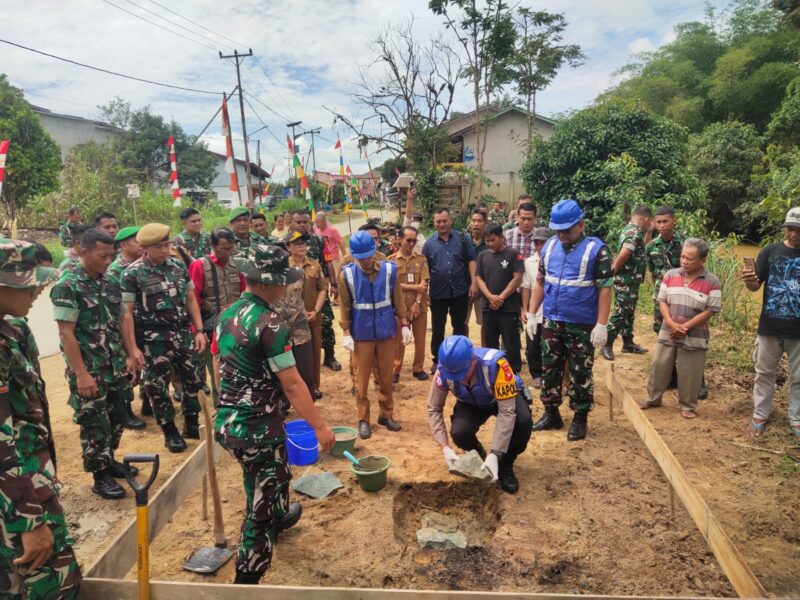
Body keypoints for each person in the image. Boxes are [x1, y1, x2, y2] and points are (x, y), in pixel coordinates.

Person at [213, 242, 335, 586]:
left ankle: (280, 516)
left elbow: (218, 365)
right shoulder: (271, 324)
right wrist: (320, 427)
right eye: (282, 280)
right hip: (257, 427)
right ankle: (246, 578)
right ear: (268, 283)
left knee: (267, 474)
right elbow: (293, 384)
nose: (286, 286)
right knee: (260, 506)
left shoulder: (227, 314)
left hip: (231, 421)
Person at [0, 239, 83, 599]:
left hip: (27, 483)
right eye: (27, 283)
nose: (37, 290)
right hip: (16, 500)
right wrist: (30, 521)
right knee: (53, 584)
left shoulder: (12, 329)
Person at [51, 229, 144, 500]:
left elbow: (122, 317)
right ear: (83, 251)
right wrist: (81, 374)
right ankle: (99, 476)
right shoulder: (68, 285)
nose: (108, 261)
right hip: (90, 368)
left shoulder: (110, 280)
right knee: (94, 421)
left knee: (117, 415)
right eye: (102, 256)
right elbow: (66, 333)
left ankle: (109, 459)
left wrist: (131, 352)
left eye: (110, 255)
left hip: (115, 363)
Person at [529, 199, 613, 440]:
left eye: (566, 230)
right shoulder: (549, 247)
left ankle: (580, 417)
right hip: (552, 320)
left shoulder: (597, 250)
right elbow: (541, 282)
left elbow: (605, 288)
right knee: (550, 368)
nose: (561, 235)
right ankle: (551, 412)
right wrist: (533, 313)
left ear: (581, 225)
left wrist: (601, 324)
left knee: (580, 371)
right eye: (558, 230)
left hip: (581, 323)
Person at [122, 223, 206, 453]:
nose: (164, 250)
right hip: (153, 339)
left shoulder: (178, 266)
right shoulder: (132, 273)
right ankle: (170, 431)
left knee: (193, 379)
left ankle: (191, 422)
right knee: (157, 386)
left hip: (182, 333)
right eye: (158, 246)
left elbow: (190, 299)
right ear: (144, 248)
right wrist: (132, 348)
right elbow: (126, 312)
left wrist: (199, 330)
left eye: (166, 245)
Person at [428, 335, 532, 494]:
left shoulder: (496, 366)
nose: (459, 379)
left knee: (523, 421)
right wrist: (445, 447)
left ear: (473, 361)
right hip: (470, 402)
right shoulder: (444, 369)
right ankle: (477, 453)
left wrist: (496, 453)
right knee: (460, 432)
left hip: (501, 399)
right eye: (454, 376)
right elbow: (434, 408)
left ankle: (505, 464)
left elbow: (506, 412)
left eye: (462, 373)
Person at [339, 231, 410, 439]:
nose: (366, 261)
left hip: (385, 332)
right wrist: (346, 332)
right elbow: (344, 306)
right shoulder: (347, 275)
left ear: (375, 250)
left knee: (386, 377)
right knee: (361, 380)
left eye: (368, 256)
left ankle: (386, 415)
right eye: (361, 258)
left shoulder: (390, 271)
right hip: (361, 335)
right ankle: (363, 419)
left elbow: (398, 299)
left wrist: (404, 324)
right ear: (354, 256)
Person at [639, 239, 721, 419]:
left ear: (702, 260)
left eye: (689, 258)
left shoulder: (712, 281)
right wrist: (670, 322)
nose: (684, 261)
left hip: (695, 333)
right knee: (659, 365)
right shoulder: (670, 275)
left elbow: (711, 310)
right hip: (668, 330)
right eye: (683, 257)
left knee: (690, 370)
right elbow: (662, 301)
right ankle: (653, 398)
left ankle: (688, 405)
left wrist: (685, 327)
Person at [742, 207, 800, 439]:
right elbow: (755, 286)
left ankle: (797, 418)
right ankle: (760, 414)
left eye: (799, 230)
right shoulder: (770, 251)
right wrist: (749, 280)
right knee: (764, 374)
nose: (794, 234)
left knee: (799, 378)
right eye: (790, 229)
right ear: (785, 228)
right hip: (770, 327)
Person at [188, 228, 245, 402]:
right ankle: (220, 405)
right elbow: (193, 300)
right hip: (212, 324)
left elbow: (244, 292)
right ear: (213, 246)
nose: (227, 252)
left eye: (230, 248)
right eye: (223, 248)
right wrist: (197, 330)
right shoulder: (200, 266)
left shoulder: (238, 264)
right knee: (217, 370)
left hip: (237, 323)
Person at [423, 207, 477, 373]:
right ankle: (437, 360)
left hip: (459, 290)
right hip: (438, 293)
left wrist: (474, 283)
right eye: (438, 221)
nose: (442, 224)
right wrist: (425, 292)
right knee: (438, 328)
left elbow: (471, 260)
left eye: (444, 221)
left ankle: (461, 358)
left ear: (450, 221)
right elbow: (425, 270)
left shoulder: (463, 239)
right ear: (434, 223)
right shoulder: (429, 244)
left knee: (459, 326)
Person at [105, 226, 147, 428]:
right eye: (136, 241)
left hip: (142, 324)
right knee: (127, 366)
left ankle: (148, 401)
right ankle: (126, 410)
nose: (141, 245)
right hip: (123, 326)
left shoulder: (144, 264)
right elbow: (120, 310)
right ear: (123, 245)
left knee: (145, 364)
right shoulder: (115, 270)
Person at [290, 210, 341, 372]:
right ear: (291, 223)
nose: (302, 225)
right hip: (293, 293)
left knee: (325, 322)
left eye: (305, 222)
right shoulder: (284, 242)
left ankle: (329, 356)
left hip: (318, 288)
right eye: (298, 222)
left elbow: (328, 262)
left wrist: (333, 284)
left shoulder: (318, 240)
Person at [270, 232, 317, 402]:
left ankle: (308, 400)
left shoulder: (297, 273)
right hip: (279, 329)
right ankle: (283, 402)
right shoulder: (269, 279)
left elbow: (301, 297)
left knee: (306, 367)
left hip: (300, 327)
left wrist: (305, 312)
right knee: (281, 368)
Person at [602, 205, 653, 361]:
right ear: (646, 219)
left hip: (632, 281)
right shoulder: (633, 233)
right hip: (626, 281)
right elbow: (624, 254)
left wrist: (649, 232)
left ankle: (628, 342)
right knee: (621, 312)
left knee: (629, 312)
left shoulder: (633, 231)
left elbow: (642, 249)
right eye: (649, 221)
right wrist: (612, 272)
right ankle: (606, 343)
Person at [476, 223, 525, 369]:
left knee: (511, 342)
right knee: (490, 342)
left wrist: (501, 298)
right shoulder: (482, 256)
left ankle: (514, 372)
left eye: (493, 240)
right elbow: (479, 278)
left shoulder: (514, 254)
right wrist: (490, 297)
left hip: (509, 308)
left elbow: (517, 278)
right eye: (487, 241)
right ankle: (493, 370)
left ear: (501, 237)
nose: (490, 243)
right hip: (488, 307)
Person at [287, 232, 328, 399]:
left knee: (315, 353)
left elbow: (323, 289)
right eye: (297, 244)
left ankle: (314, 386)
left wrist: (316, 311)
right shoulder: (285, 268)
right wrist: (300, 311)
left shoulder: (314, 265)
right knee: (295, 355)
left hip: (313, 317)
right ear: (288, 247)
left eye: (303, 243)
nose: (301, 246)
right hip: (293, 321)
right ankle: (297, 388)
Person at [389, 226, 430, 383]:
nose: (412, 243)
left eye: (414, 240)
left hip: (419, 306)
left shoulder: (421, 259)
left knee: (420, 340)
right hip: (399, 308)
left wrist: (418, 302)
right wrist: (415, 287)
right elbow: (392, 284)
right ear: (399, 240)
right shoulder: (391, 261)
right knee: (398, 341)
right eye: (409, 240)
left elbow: (424, 283)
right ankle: (395, 369)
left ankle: (418, 368)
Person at [521, 227, 552, 389]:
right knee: (532, 345)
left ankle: (550, 374)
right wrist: (525, 309)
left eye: (543, 243)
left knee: (550, 345)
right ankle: (536, 374)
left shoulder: (556, 260)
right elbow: (526, 287)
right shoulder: (529, 262)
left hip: (552, 312)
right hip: (535, 311)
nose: (539, 246)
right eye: (537, 243)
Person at [466, 208, 488, 335]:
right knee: (462, 322)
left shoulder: (490, 242)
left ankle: (485, 347)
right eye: (473, 220)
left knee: (486, 324)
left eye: (479, 221)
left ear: (485, 222)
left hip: (484, 290)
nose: (476, 224)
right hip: (465, 288)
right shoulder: (463, 240)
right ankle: (464, 346)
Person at [314, 211, 345, 278]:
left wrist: (344, 256)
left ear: (323, 222)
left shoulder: (332, 230)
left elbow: (340, 243)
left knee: (336, 277)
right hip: (323, 260)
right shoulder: (317, 231)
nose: (315, 224)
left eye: (317, 222)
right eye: (315, 222)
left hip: (333, 259)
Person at [402, 187, 427, 253]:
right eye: (414, 220)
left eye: (418, 220)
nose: (416, 222)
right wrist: (409, 200)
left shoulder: (422, 237)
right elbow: (408, 217)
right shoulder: (407, 230)